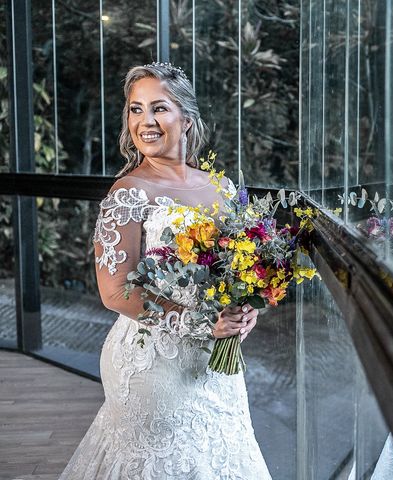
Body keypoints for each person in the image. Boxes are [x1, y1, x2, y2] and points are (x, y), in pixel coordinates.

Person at [60, 62, 271, 479]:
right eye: (135, 110)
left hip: (218, 363)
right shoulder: (129, 192)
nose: (145, 121)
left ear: (186, 119)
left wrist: (248, 311)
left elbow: (244, 270)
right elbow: (115, 291)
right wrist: (198, 322)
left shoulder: (223, 188)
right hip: (152, 363)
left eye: (158, 108)